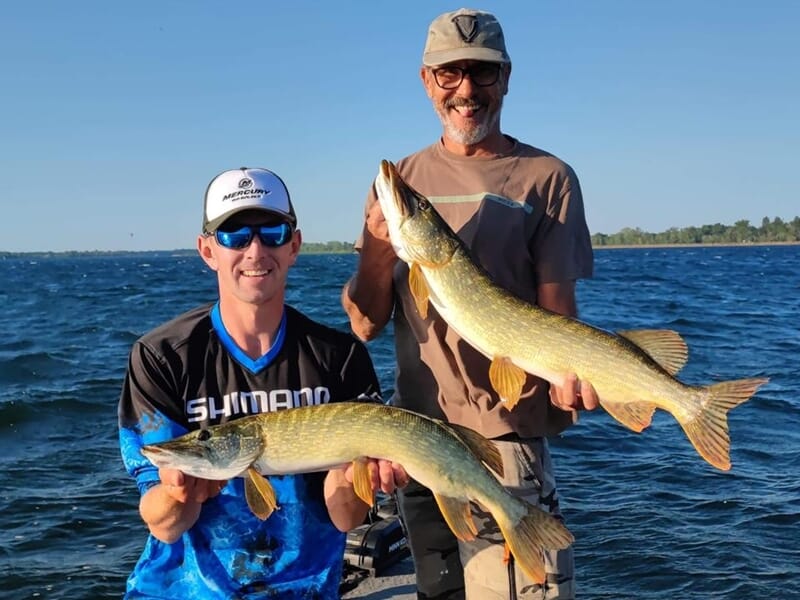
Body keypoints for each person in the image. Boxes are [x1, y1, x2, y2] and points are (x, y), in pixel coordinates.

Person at [342, 8, 598, 600]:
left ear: (506, 78)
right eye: (449, 74)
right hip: (416, 437)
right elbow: (363, 322)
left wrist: (574, 378)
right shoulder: (400, 180)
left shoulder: (548, 177)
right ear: (427, 81)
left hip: (506, 440)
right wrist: (379, 248)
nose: (466, 91)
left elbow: (559, 314)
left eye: (482, 73)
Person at [119, 167, 408, 599]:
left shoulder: (340, 357)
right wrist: (179, 495)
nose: (255, 250)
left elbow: (346, 517)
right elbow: (162, 522)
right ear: (207, 250)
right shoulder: (161, 356)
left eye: (271, 232)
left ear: (294, 246)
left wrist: (358, 478)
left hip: (304, 590)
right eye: (234, 235)